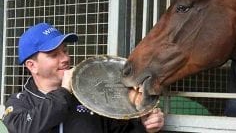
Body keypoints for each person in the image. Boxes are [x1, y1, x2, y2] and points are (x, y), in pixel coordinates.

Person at [2, 22, 164, 133]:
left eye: (65, 50)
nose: (65, 58)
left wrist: (144, 126)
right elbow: (22, 129)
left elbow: (121, 130)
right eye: (54, 55)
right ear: (32, 66)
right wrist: (64, 92)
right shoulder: (20, 102)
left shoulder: (90, 96)